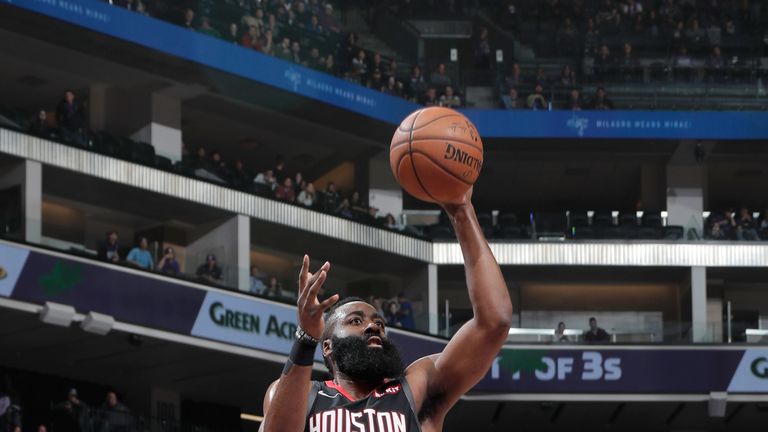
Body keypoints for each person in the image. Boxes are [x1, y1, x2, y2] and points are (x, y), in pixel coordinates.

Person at [259, 187, 512, 432]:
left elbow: (494, 322)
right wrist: (306, 339)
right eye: (355, 321)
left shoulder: (415, 388)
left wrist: (461, 212)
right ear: (328, 346)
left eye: (379, 323)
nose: (373, 326)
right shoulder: (301, 394)